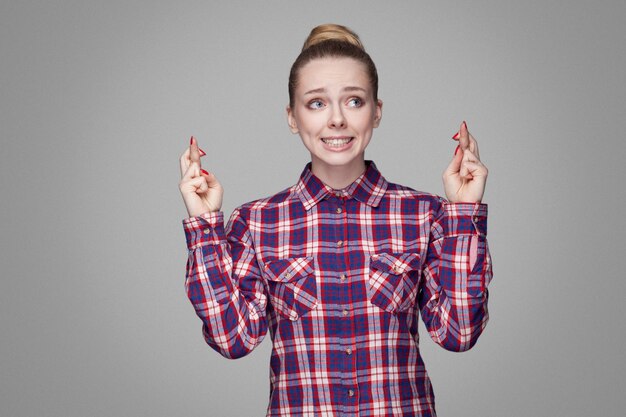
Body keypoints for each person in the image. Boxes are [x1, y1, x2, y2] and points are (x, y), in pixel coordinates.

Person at [178, 23, 492, 417]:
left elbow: (459, 333)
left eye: (354, 101)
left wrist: (463, 212)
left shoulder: (425, 214)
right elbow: (231, 339)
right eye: (316, 103)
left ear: (377, 112)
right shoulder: (256, 223)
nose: (337, 120)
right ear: (292, 117)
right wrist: (205, 225)